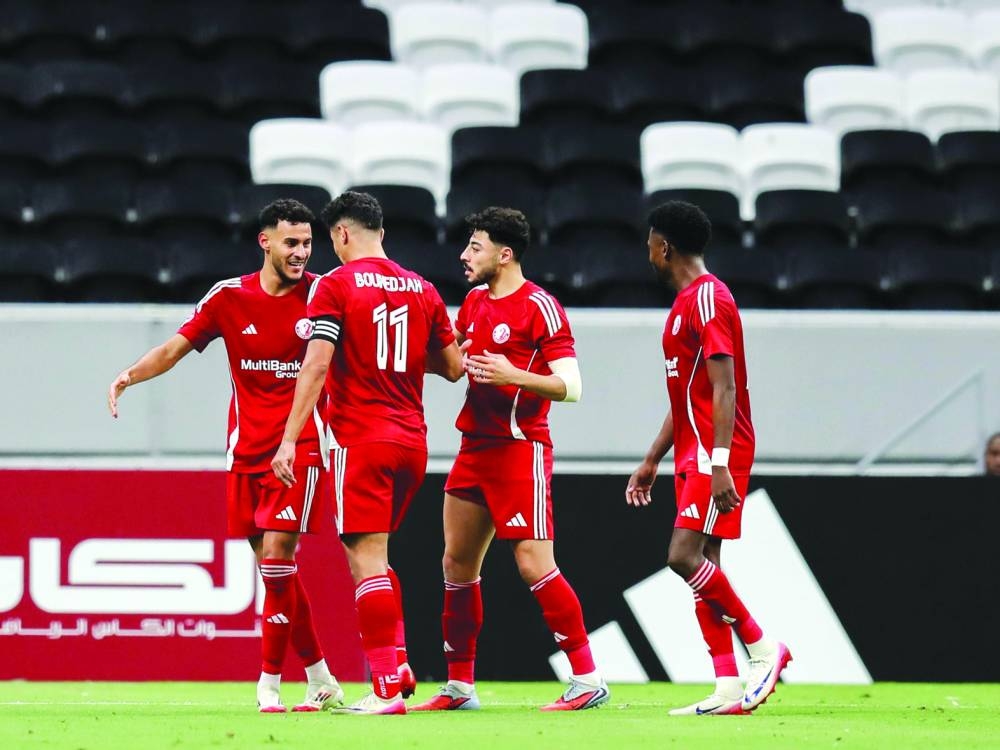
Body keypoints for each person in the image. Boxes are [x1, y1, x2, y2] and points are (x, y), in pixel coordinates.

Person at [107, 199, 343, 713]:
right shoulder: (229, 297)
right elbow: (176, 346)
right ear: (265, 242)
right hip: (245, 451)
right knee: (274, 572)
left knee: (280, 560)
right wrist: (130, 375)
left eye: (307, 243)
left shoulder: (323, 295)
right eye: (292, 243)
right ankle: (322, 675)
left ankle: (269, 684)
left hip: (298, 446)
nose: (302, 252)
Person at [271, 191, 463, 716]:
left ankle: (382, 687)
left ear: (342, 235)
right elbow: (452, 367)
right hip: (413, 444)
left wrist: (289, 437)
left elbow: (315, 365)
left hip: (362, 439)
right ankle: (397, 664)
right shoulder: (422, 288)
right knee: (378, 555)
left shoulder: (334, 285)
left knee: (365, 559)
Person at [412, 207, 609, 713]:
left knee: (532, 563)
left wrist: (513, 374)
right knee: (456, 564)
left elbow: (574, 387)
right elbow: (456, 367)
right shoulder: (475, 302)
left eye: (474, 246)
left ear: (505, 254)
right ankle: (460, 687)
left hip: (521, 450)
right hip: (473, 449)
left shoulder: (540, 307)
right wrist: (419, 351)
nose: (464, 254)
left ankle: (587, 679)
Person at [626, 201, 791, 716]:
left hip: (717, 450)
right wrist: (653, 458)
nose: (648, 252)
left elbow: (725, 389)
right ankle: (726, 686)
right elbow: (687, 398)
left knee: (682, 557)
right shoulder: (684, 304)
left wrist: (719, 461)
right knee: (707, 566)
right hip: (695, 448)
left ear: (665, 246)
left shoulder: (708, 300)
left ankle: (764, 648)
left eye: (651, 243)